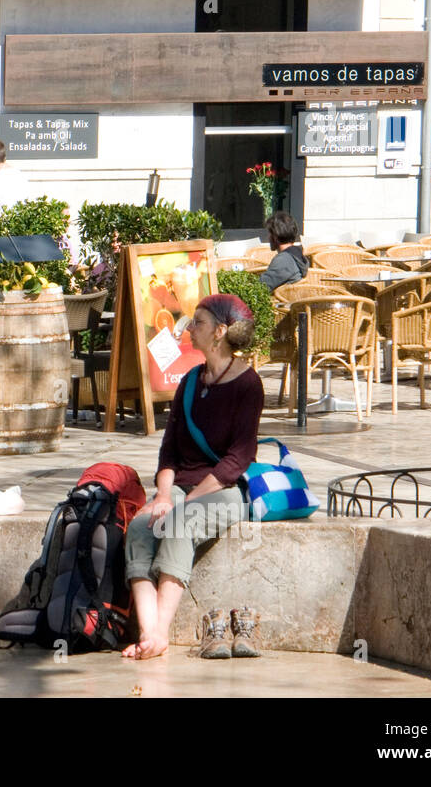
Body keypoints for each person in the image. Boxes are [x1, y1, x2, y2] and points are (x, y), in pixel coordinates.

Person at [121, 293, 263, 660]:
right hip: (181, 488)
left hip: (223, 490)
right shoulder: (189, 382)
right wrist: (163, 496)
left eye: (197, 322)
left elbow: (239, 458)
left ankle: (159, 633)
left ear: (219, 332)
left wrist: (186, 500)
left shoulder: (249, 385)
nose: (189, 329)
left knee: (181, 523)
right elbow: (169, 450)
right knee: (140, 527)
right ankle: (150, 634)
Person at [258, 210, 309, 292]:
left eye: (270, 234)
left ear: (275, 237)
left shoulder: (284, 260)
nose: (268, 237)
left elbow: (261, 287)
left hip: (278, 303)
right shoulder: (297, 255)